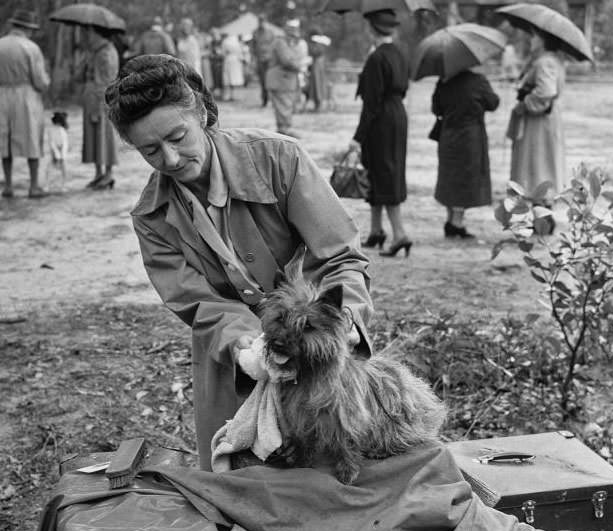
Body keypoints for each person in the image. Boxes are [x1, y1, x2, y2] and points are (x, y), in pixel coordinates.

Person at [103, 55, 373, 470]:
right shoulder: (151, 217)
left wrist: (345, 319)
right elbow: (198, 303)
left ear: (204, 115)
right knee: (243, 476)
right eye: (150, 151)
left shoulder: (279, 159)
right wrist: (250, 346)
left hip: (317, 351)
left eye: (178, 137)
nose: (171, 160)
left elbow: (338, 255)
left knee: (332, 466)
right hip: (234, 365)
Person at [348, 10, 410, 257]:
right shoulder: (398, 53)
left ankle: (400, 234)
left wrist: (357, 137)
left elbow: (371, 103)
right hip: (397, 114)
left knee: (385, 172)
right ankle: (376, 230)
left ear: (372, 30)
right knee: (378, 169)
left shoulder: (376, 59)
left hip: (381, 119)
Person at [0, 9, 50, 199]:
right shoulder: (31, 47)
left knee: (5, 138)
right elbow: (39, 81)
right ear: (28, 28)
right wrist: (46, 82)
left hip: (4, 94)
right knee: (32, 138)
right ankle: (34, 186)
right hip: (26, 95)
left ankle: (8, 185)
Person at [507, 26, 566, 230]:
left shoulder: (545, 62)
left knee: (537, 164)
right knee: (541, 163)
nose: (530, 42)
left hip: (538, 122)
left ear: (542, 40)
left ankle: (542, 212)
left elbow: (546, 91)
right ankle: (542, 212)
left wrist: (526, 102)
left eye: (534, 38)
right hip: (542, 122)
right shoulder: (547, 61)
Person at [431, 69, 500, 239]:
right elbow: (493, 103)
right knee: (465, 179)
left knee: (450, 178)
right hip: (471, 137)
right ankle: (456, 223)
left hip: (448, 134)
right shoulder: (478, 81)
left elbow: (435, 108)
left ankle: (451, 221)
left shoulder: (444, 80)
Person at [80, 26, 119, 190]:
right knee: (94, 135)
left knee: (105, 135)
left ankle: (108, 174)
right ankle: (98, 173)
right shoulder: (96, 51)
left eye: (90, 33)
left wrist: (97, 105)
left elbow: (103, 82)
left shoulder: (106, 53)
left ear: (98, 34)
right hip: (92, 98)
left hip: (101, 99)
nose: (88, 36)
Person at [265, 19, 305, 137]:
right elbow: (286, 61)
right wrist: (301, 65)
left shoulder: (286, 43)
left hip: (284, 80)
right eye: (292, 33)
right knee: (284, 105)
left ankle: (284, 128)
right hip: (280, 79)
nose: (294, 37)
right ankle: (285, 129)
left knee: (285, 104)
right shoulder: (280, 42)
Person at [251, 13, 275, 107]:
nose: (261, 23)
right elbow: (252, 47)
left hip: (270, 60)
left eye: (263, 21)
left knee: (271, 80)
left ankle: (272, 100)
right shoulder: (255, 33)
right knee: (262, 81)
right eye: (260, 21)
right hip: (260, 60)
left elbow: (274, 46)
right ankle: (264, 100)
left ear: (266, 21)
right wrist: (253, 59)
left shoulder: (271, 32)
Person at [306, 32, 331, 112]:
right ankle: (317, 105)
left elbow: (317, 52)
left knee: (318, 85)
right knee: (315, 85)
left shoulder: (320, 45)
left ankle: (319, 105)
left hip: (318, 65)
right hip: (316, 65)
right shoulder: (317, 44)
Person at [220, 33, 244, 102]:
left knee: (228, 78)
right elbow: (240, 52)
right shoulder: (236, 42)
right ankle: (234, 95)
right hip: (236, 60)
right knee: (234, 78)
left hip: (228, 59)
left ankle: (228, 95)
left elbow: (223, 52)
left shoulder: (225, 42)